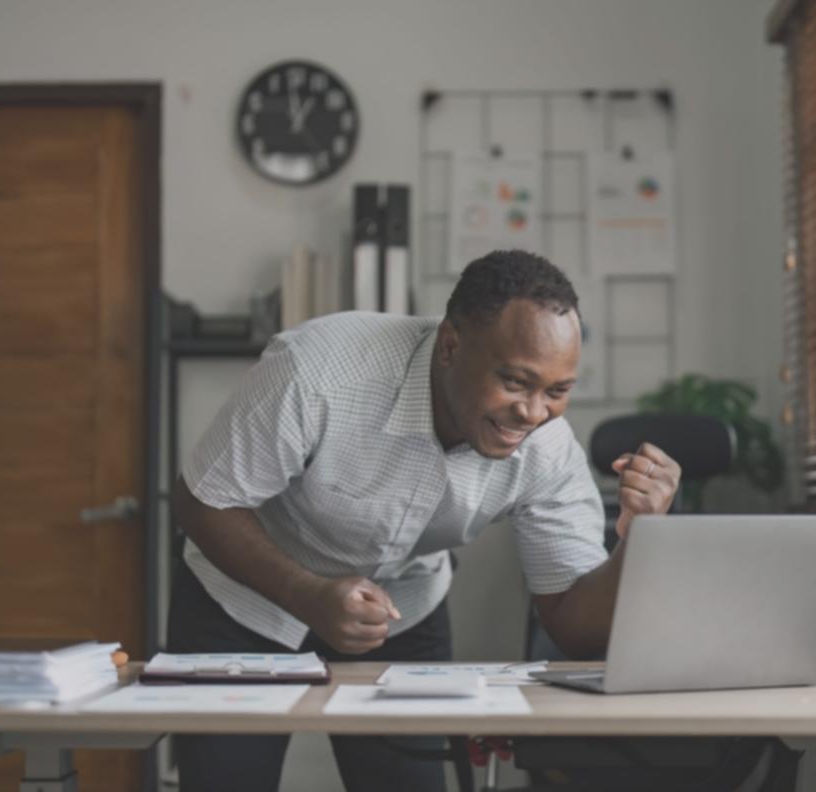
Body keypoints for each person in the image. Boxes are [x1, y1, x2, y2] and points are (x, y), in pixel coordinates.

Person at [168, 249, 681, 792]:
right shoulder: (319, 372)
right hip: (243, 601)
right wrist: (307, 594)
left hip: (400, 610)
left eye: (556, 392)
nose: (532, 413)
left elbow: (573, 626)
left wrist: (639, 537)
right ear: (451, 346)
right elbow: (203, 498)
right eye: (514, 382)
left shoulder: (547, 449)